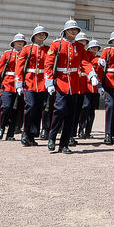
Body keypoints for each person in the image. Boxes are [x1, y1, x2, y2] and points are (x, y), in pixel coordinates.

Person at [45, 19, 88, 153]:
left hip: (74, 83)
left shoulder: (79, 47)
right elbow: (49, 64)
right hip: (61, 81)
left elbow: (85, 62)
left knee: (71, 114)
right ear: (65, 31)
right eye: (71, 29)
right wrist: (49, 82)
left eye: (75, 30)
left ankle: (64, 144)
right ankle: (52, 137)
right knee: (60, 110)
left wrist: (92, 74)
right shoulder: (56, 45)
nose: (74, 31)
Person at [16, 24, 49, 146]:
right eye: (40, 34)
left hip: (42, 83)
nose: (42, 35)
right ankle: (25, 132)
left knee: (39, 109)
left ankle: (32, 135)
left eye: (44, 34)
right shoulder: (26, 49)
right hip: (29, 82)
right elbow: (19, 67)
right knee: (30, 106)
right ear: (34, 36)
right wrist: (19, 83)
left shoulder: (48, 49)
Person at [0, 33, 27, 140]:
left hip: (21, 84)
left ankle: (10, 134)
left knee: (16, 109)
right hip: (8, 83)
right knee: (6, 107)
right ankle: (2, 127)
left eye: (22, 42)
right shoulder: (7, 54)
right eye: (18, 41)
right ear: (14, 43)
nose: (20, 43)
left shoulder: (26, 54)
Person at [78, 39, 102, 139]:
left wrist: (100, 86)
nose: (94, 49)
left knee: (92, 110)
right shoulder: (87, 56)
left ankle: (88, 131)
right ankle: (81, 128)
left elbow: (100, 73)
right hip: (86, 86)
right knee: (85, 107)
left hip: (95, 88)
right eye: (92, 47)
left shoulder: (99, 58)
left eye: (96, 47)